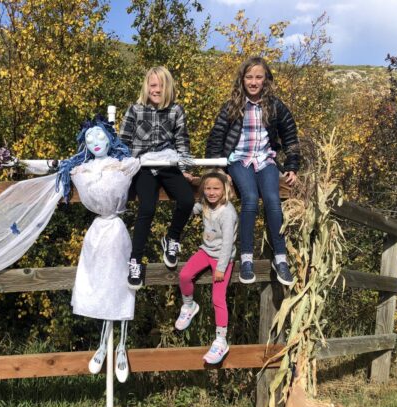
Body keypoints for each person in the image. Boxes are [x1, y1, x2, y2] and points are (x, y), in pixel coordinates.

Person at [205, 56, 299, 286]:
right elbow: (216, 137)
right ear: (242, 79)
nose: (254, 82)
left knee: (272, 199)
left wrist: (292, 166)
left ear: (266, 80)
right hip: (239, 160)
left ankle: (280, 258)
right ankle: (246, 258)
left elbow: (290, 137)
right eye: (249, 77)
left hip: (265, 160)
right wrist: (218, 169)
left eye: (259, 77)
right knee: (249, 198)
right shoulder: (233, 105)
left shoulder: (275, 106)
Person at [63, 117, 141, 383]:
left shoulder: (123, 165)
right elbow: (48, 167)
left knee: (120, 283)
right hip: (96, 232)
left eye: (99, 137)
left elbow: (147, 162)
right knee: (97, 282)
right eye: (89, 139)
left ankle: (121, 344)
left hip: (116, 229)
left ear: (109, 137)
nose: (95, 143)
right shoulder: (80, 170)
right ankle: (103, 342)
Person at [119, 66, 194, 289]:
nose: (157, 90)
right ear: (146, 86)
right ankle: (136, 260)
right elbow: (123, 141)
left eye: (161, 86)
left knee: (187, 199)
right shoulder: (135, 110)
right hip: (143, 165)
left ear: (168, 88)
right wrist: (123, 166)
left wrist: (184, 166)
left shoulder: (176, 111)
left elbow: (182, 141)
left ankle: (172, 238)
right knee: (147, 208)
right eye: (153, 85)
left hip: (168, 163)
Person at [175, 171, 237, 364]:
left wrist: (221, 267)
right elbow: (191, 208)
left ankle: (220, 339)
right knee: (184, 275)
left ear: (225, 189)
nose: (211, 192)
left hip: (222, 258)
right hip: (206, 251)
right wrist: (185, 187)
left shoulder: (228, 212)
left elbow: (227, 243)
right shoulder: (205, 205)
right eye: (208, 188)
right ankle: (189, 305)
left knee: (217, 298)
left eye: (216, 188)